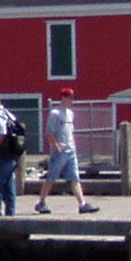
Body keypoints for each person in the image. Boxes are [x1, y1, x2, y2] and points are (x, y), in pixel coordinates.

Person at [35, 87, 99, 215]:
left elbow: (70, 132)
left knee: (75, 178)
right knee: (51, 177)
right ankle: (41, 202)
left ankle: (82, 204)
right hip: (60, 151)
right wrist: (56, 146)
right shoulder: (55, 113)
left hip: (71, 151)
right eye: (70, 97)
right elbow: (49, 132)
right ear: (63, 97)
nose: (72, 100)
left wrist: (74, 146)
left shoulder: (70, 113)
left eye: (73, 97)